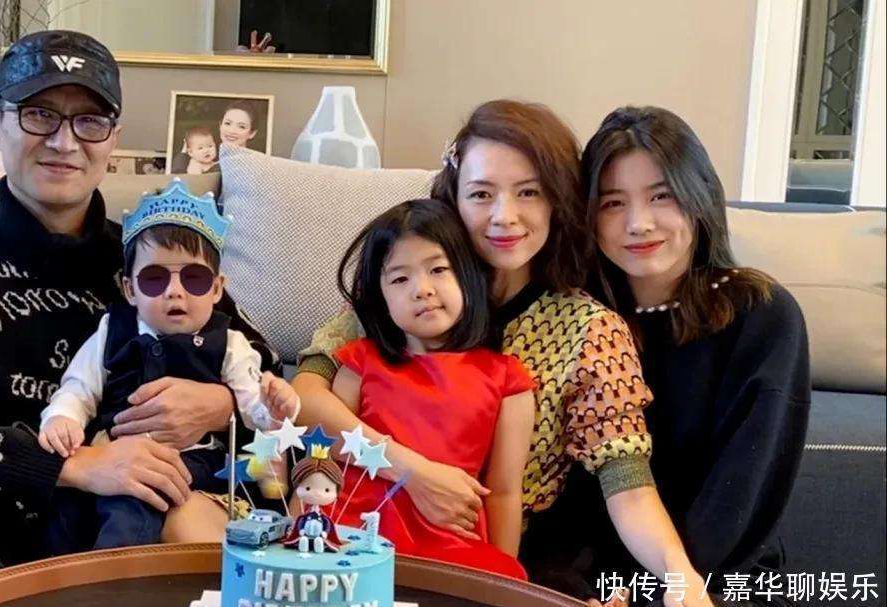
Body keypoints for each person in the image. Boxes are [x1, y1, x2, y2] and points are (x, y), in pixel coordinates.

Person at [0, 30, 274, 607]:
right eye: (39, 114)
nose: (65, 142)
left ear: (112, 138)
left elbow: (265, 371)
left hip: (142, 521)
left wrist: (224, 403)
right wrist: (77, 465)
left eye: (89, 121)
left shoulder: (156, 261)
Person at [292, 100, 710, 606]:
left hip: (496, 558)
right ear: (454, 197)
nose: (504, 216)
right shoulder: (409, 289)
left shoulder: (589, 329)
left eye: (529, 192)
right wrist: (411, 471)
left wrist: (680, 574)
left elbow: (627, 479)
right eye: (481, 194)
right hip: (358, 537)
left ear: (558, 200)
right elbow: (306, 396)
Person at [550, 106, 810, 606]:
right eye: (612, 203)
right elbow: (563, 491)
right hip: (593, 584)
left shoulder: (762, 315)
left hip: (721, 578)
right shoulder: (578, 317)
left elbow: (741, 498)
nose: (638, 223)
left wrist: (664, 592)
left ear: (699, 197)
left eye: (661, 196)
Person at [38, 185, 299, 549]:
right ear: (130, 289)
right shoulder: (114, 330)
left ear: (217, 289)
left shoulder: (230, 343)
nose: (174, 291)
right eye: (154, 279)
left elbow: (251, 407)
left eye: (194, 278)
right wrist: (62, 418)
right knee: (66, 513)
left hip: (195, 462)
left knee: (135, 504)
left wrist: (275, 408)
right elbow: (80, 387)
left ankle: (118, 575)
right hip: (116, 456)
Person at [326, 199, 536, 578]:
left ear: (468, 274)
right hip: (356, 535)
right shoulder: (360, 361)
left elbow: (504, 491)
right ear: (380, 298)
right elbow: (329, 448)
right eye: (399, 279)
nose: (422, 290)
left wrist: (504, 580)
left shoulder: (507, 378)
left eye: (438, 269)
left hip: (452, 544)